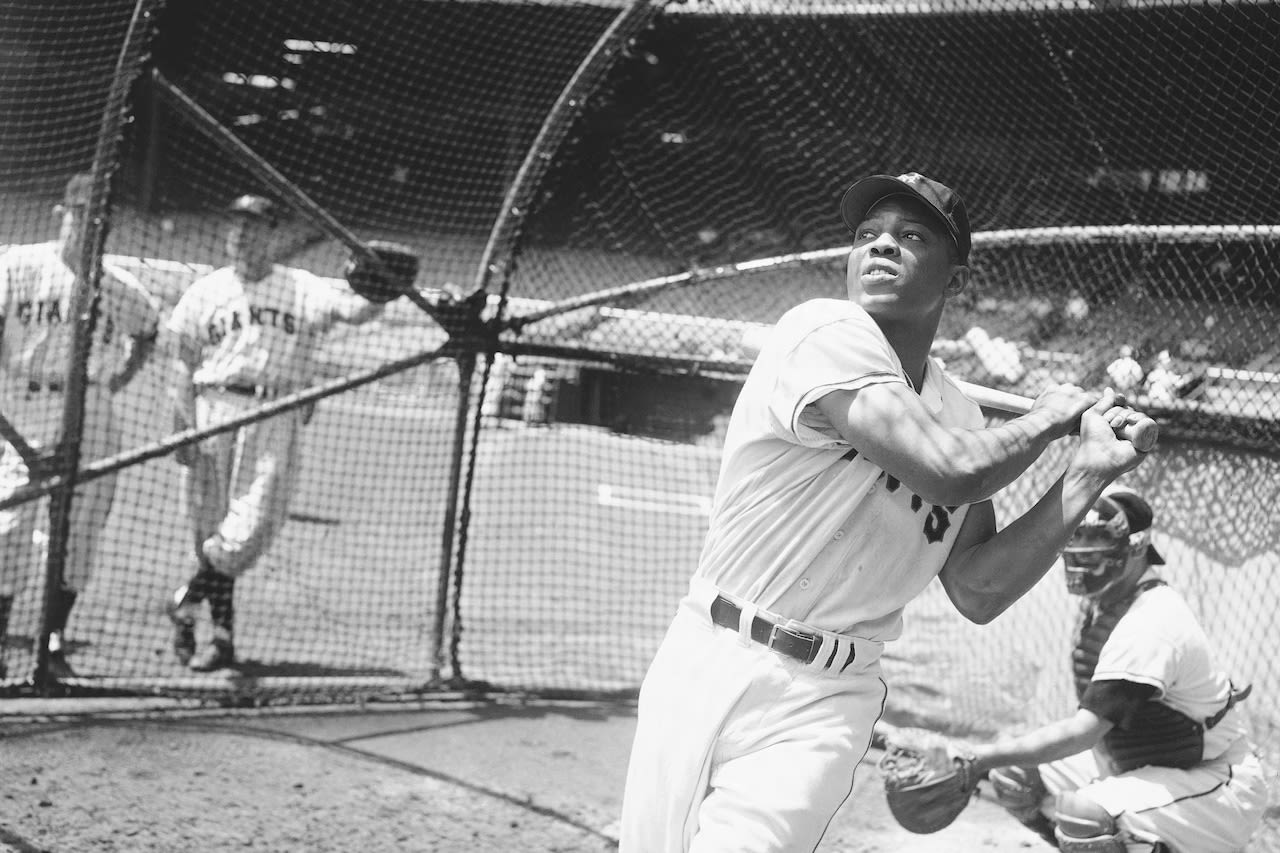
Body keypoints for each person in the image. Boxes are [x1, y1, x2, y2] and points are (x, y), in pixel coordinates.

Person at [618, 172, 1152, 852]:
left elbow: (978, 587)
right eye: (866, 234)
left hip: (824, 695)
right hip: (711, 651)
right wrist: (1047, 419)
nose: (880, 247)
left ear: (955, 279)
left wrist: (1086, 475)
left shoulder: (959, 414)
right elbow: (951, 471)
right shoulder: (821, 331)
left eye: (911, 236)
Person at [974, 486, 1268, 852]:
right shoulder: (1104, 603)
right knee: (1016, 777)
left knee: (1087, 816)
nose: (1082, 553)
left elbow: (1084, 732)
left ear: (1136, 547)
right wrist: (990, 761)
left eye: (1096, 540)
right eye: (1076, 537)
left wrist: (975, 758)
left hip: (1212, 781)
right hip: (1140, 763)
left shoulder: (1152, 620)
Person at [164, 193, 388, 672]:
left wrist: (382, 289)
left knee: (253, 526)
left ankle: (185, 599)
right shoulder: (205, 291)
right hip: (213, 409)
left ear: (272, 235)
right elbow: (182, 365)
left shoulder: (301, 287)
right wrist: (181, 424)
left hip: (274, 411)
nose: (241, 234)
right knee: (210, 531)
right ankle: (220, 639)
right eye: (236, 225)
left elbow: (355, 312)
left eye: (254, 227)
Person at [0, 172, 160, 679]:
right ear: (61, 214)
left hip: (90, 408)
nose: (89, 223)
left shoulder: (120, 288)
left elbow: (148, 333)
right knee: (8, 526)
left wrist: (113, 382)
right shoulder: (18, 266)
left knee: (81, 528)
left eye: (100, 216)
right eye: (80, 212)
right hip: (23, 404)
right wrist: (18, 441)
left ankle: (51, 642)